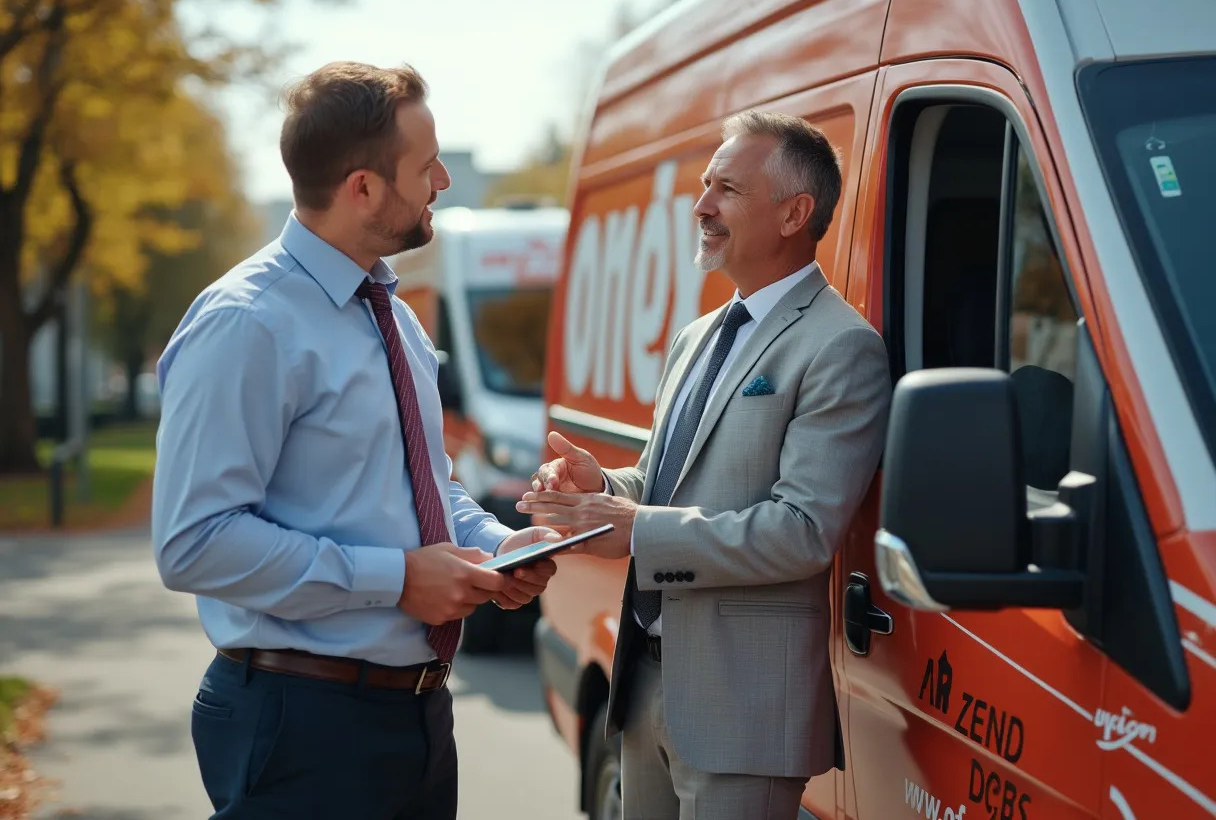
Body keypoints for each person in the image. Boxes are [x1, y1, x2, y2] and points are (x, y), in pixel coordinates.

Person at [151, 61, 559, 820]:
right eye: (424, 164)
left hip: (413, 722)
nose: (442, 179)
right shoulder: (247, 322)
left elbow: (425, 487)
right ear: (362, 188)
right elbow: (193, 542)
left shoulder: (393, 315)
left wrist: (496, 547)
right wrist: (398, 578)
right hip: (301, 723)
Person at [519, 111, 891, 819]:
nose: (701, 206)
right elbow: (664, 488)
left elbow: (803, 530)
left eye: (726, 188)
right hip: (644, 687)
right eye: (704, 185)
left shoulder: (841, 346)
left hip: (741, 716)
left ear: (794, 214)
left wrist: (638, 529)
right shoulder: (698, 335)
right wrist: (598, 487)